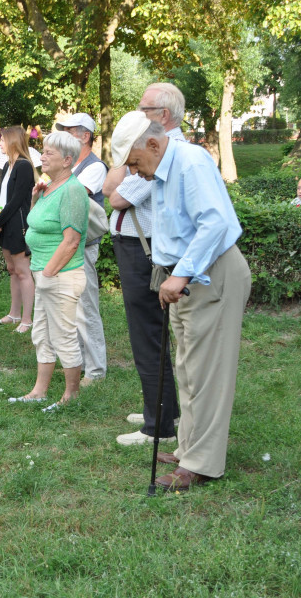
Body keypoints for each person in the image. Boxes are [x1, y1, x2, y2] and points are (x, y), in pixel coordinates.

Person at [113, 114, 251, 492]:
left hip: (210, 275)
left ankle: (202, 463)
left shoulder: (191, 162)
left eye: (135, 163)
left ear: (153, 145)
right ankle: (189, 447)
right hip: (186, 278)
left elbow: (216, 222)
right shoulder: (161, 170)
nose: (134, 173)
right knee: (188, 368)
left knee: (208, 374)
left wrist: (181, 274)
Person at [103, 111, 178, 447]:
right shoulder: (158, 154)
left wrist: (123, 172)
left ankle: (158, 425)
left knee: (148, 336)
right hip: (135, 249)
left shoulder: (161, 156)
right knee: (150, 335)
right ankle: (163, 411)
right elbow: (111, 189)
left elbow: (116, 196)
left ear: (163, 114)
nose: (139, 111)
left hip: (142, 252)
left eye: (147, 107)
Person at [7, 131, 88, 410]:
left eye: (49, 153)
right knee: (41, 334)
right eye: (42, 151)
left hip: (60, 276)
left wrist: (49, 275)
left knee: (63, 336)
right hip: (44, 274)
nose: (41, 156)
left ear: (67, 160)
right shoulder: (49, 187)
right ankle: (39, 391)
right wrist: (33, 199)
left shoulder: (72, 190)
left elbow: (71, 240)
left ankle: (70, 397)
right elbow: (36, 224)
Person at [56, 113, 108, 387]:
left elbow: (71, 194)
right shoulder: (72, 166)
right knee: (69, 307)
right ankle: (77, 362)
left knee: (86, 307)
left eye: (69, 131)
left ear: (85, 136)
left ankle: (96, 370)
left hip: (83, 246)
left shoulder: (95, 167)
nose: (64, 136)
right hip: (67, 246)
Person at [0, 125, 36, 333]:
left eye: (1, 140)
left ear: (13, 141)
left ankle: (27, 320)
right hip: (5, 221)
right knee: (12, 270)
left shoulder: (24, 166)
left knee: (23, 271)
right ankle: (14, 314)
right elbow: (0, 196)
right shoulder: (8, 165)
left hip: (18, 223)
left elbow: (16, 201)